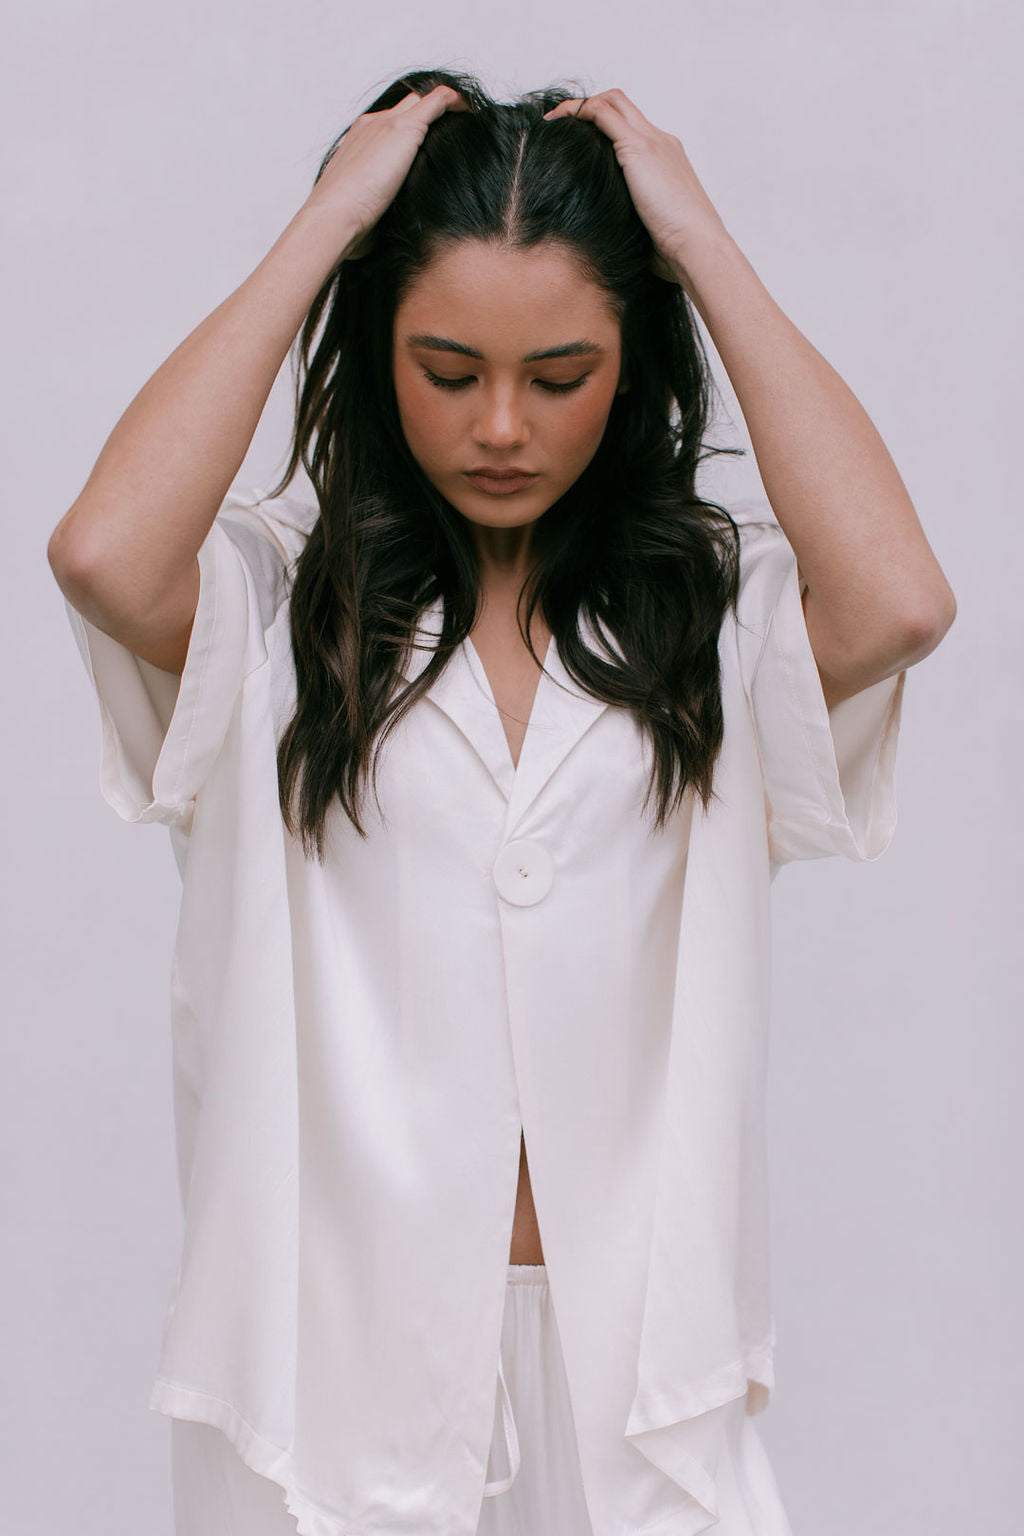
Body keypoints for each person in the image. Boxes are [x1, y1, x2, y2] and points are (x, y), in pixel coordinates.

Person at [48, 66, 955, 1536]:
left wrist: (700, 240)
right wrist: (331, 219)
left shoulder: (701, 616)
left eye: (560, 376)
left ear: (632, 358)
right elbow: (99, 555)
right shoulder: (284, 601)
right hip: (334, 1384)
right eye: (448, 369)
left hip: (640, 1391)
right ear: (378, 342)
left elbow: (904, 602)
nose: (503, 430)